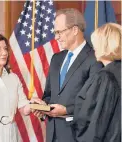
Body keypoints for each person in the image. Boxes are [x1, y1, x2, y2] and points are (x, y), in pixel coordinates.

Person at [33, 8, 103, 142]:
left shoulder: (95, 59)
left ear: (75, 30)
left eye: (59, 32)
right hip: (52, 134)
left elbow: (95, 102)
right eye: (55, 32)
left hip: (76, 135)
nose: (56, 37)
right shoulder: (56, 58)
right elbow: (49, 94)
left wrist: (67, 110)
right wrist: (42, 106)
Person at [72, 23, 121, 142]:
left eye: (96, 44)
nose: (94, 48)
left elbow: (93, 121)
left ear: (105, 46)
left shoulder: (104, 77)